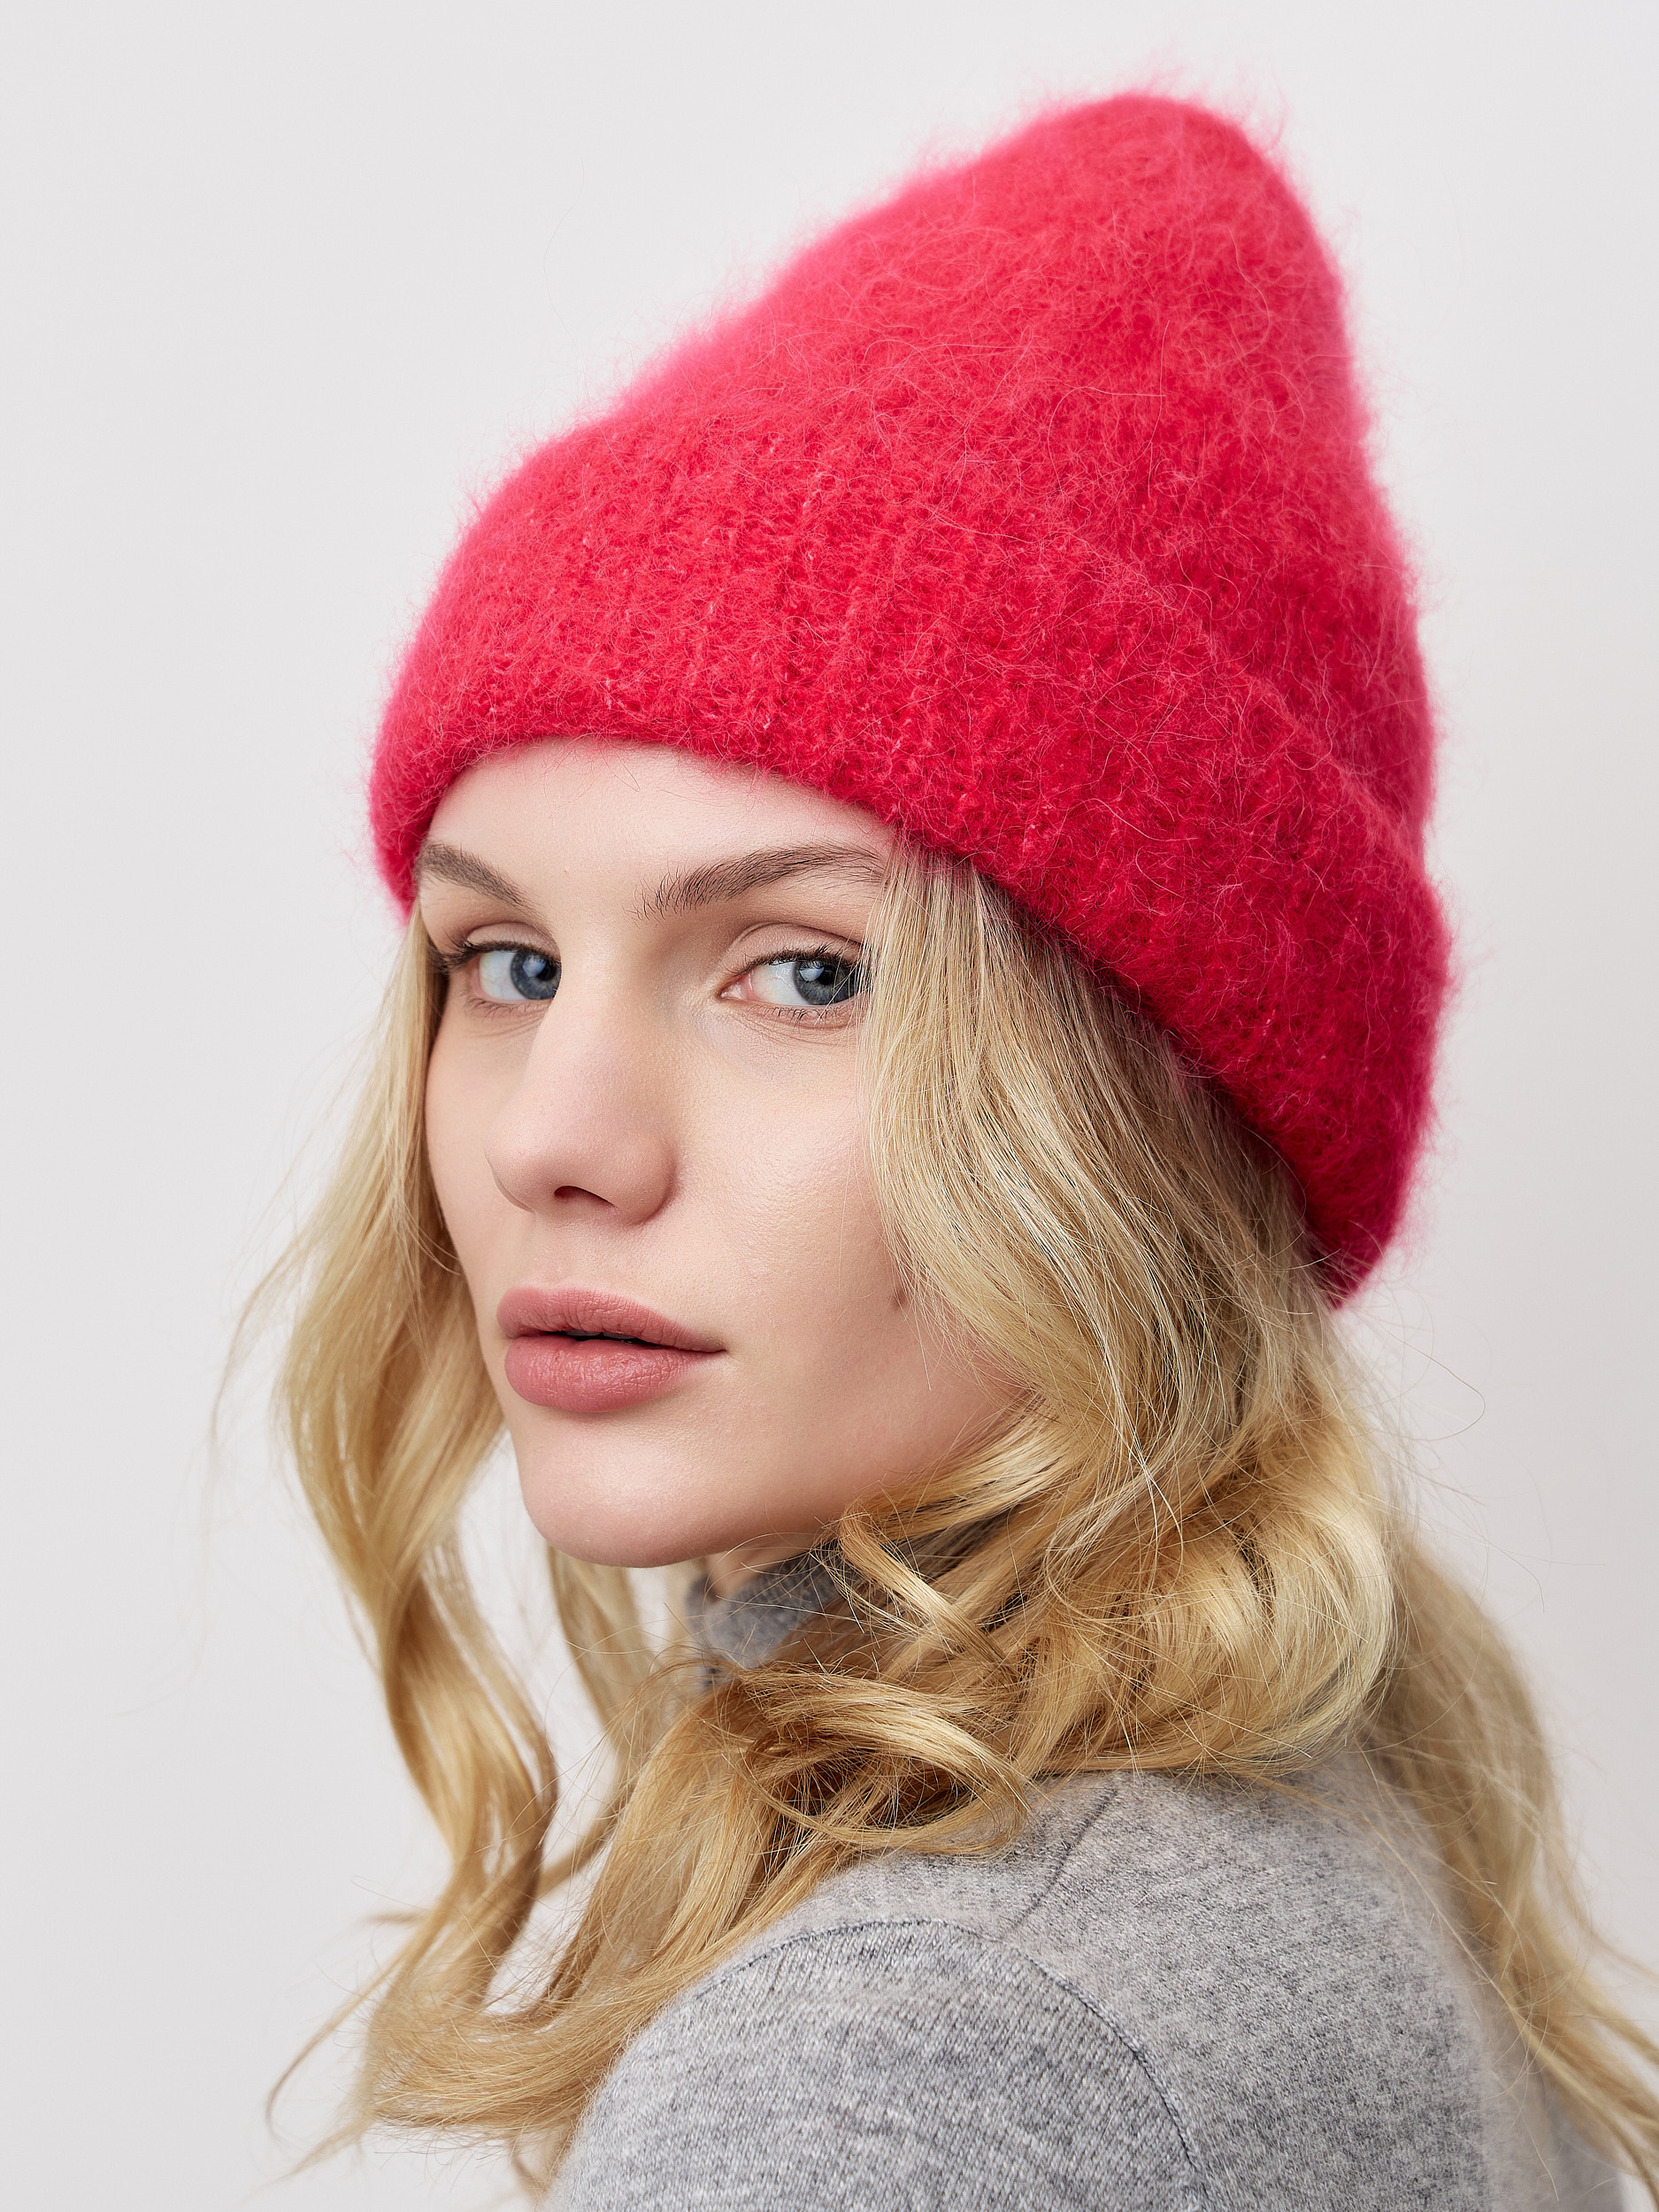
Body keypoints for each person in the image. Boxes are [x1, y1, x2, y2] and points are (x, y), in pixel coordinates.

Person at [273, 96, 1659, 2205]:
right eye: (507, 961)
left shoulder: (924, 2054)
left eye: (802, 972)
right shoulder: (1273, 1839)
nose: (553, 1135)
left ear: (1152, 1090)